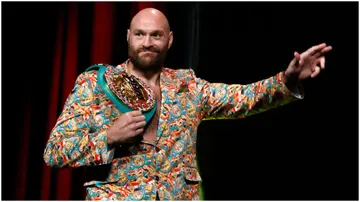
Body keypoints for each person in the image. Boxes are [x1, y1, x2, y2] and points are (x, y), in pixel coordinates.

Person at [43, 7, 332, 200]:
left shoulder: (187, 85)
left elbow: (242, 98)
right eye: (140, 34)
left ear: (169, 40)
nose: (147, 42)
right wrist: (108, 137)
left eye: (156, 35)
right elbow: (54, 152)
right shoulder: (97, 83)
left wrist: (288, 77)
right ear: (128, 37)